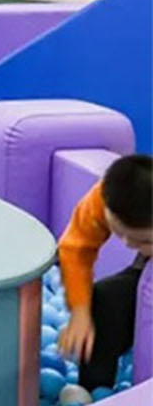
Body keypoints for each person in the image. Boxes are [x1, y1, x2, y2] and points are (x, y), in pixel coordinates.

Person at [58, 153, 152, 391]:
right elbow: (76, 248)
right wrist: (80, 311)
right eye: (119, 232)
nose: (129, 244)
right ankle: (94, 390)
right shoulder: (106, 197)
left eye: (143, 240)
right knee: (104, 299)